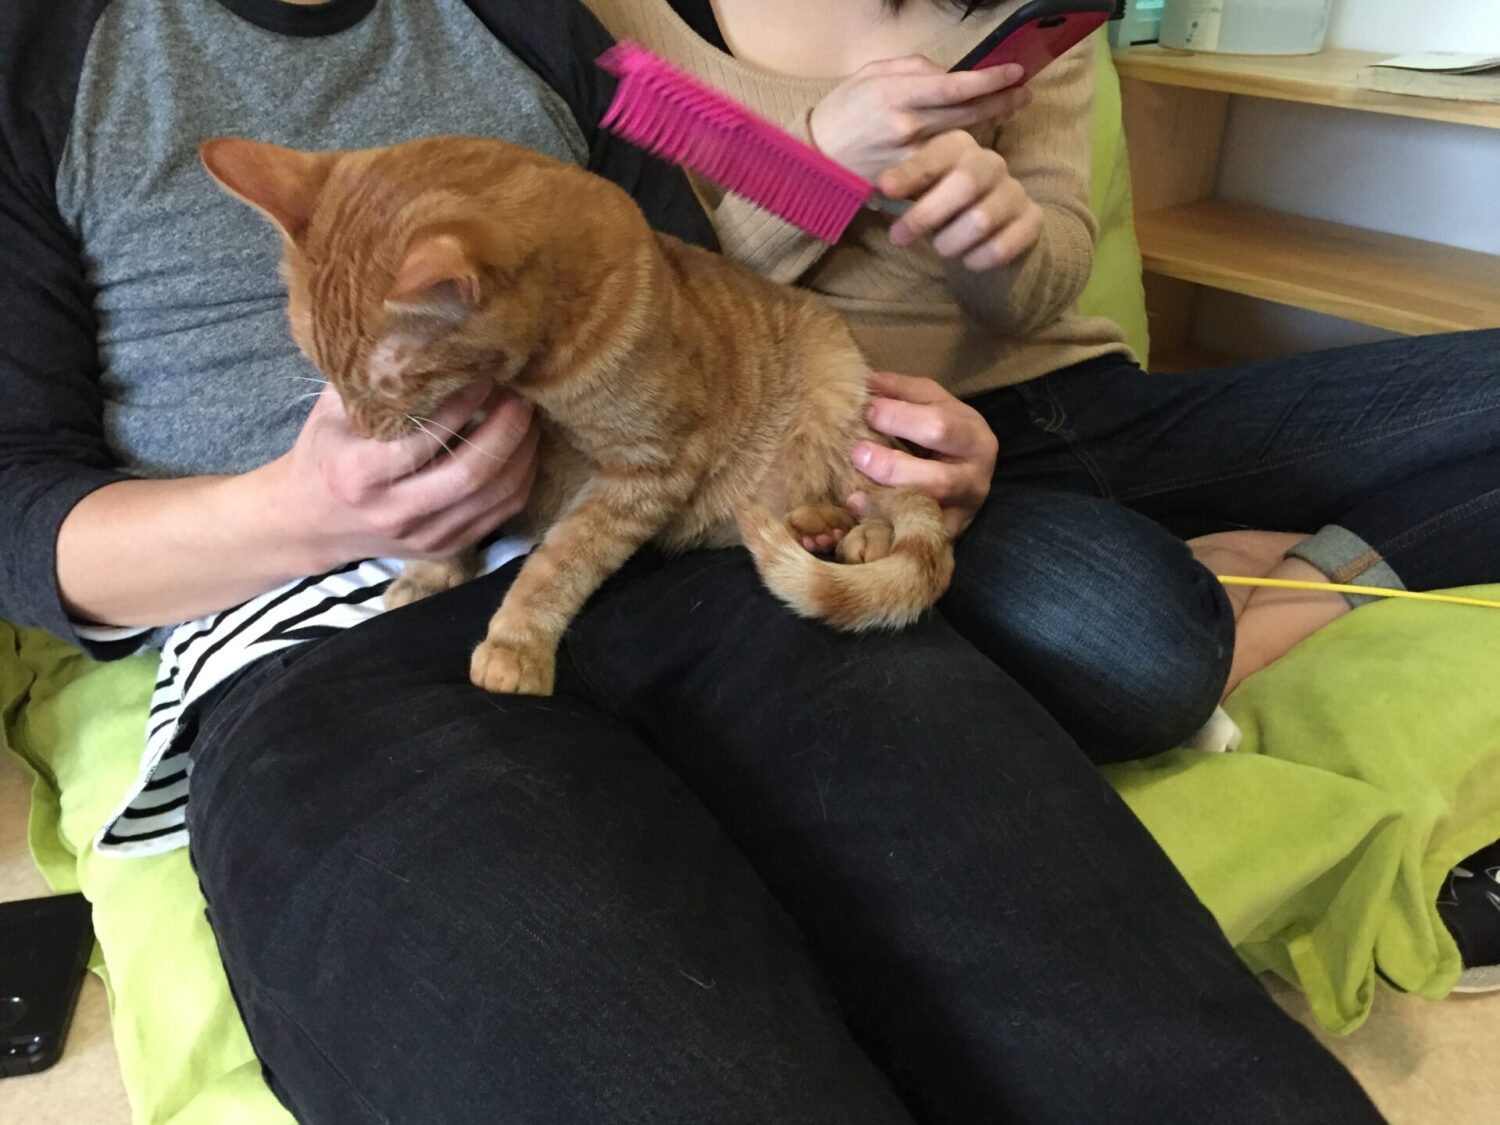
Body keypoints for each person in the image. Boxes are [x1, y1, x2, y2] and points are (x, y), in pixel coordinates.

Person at [0, 0, 1387, 1121]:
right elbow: (15, 508)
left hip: (691, 554)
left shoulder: (527, 16)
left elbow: (703, 284)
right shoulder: (52, 50)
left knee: (1114, 1006)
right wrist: (308, 515)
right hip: (320, 642)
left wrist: (870, 434)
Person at [588, 0, 1500, 969]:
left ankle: (1291, 570)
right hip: (885, 459)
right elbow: (621, 312)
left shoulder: (1025, 14)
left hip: (1086, 401)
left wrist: (1001, 239)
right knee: (1145, 650)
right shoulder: (609, 18)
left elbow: (1040, 286)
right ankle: (1273, 575)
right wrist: (819, 159)